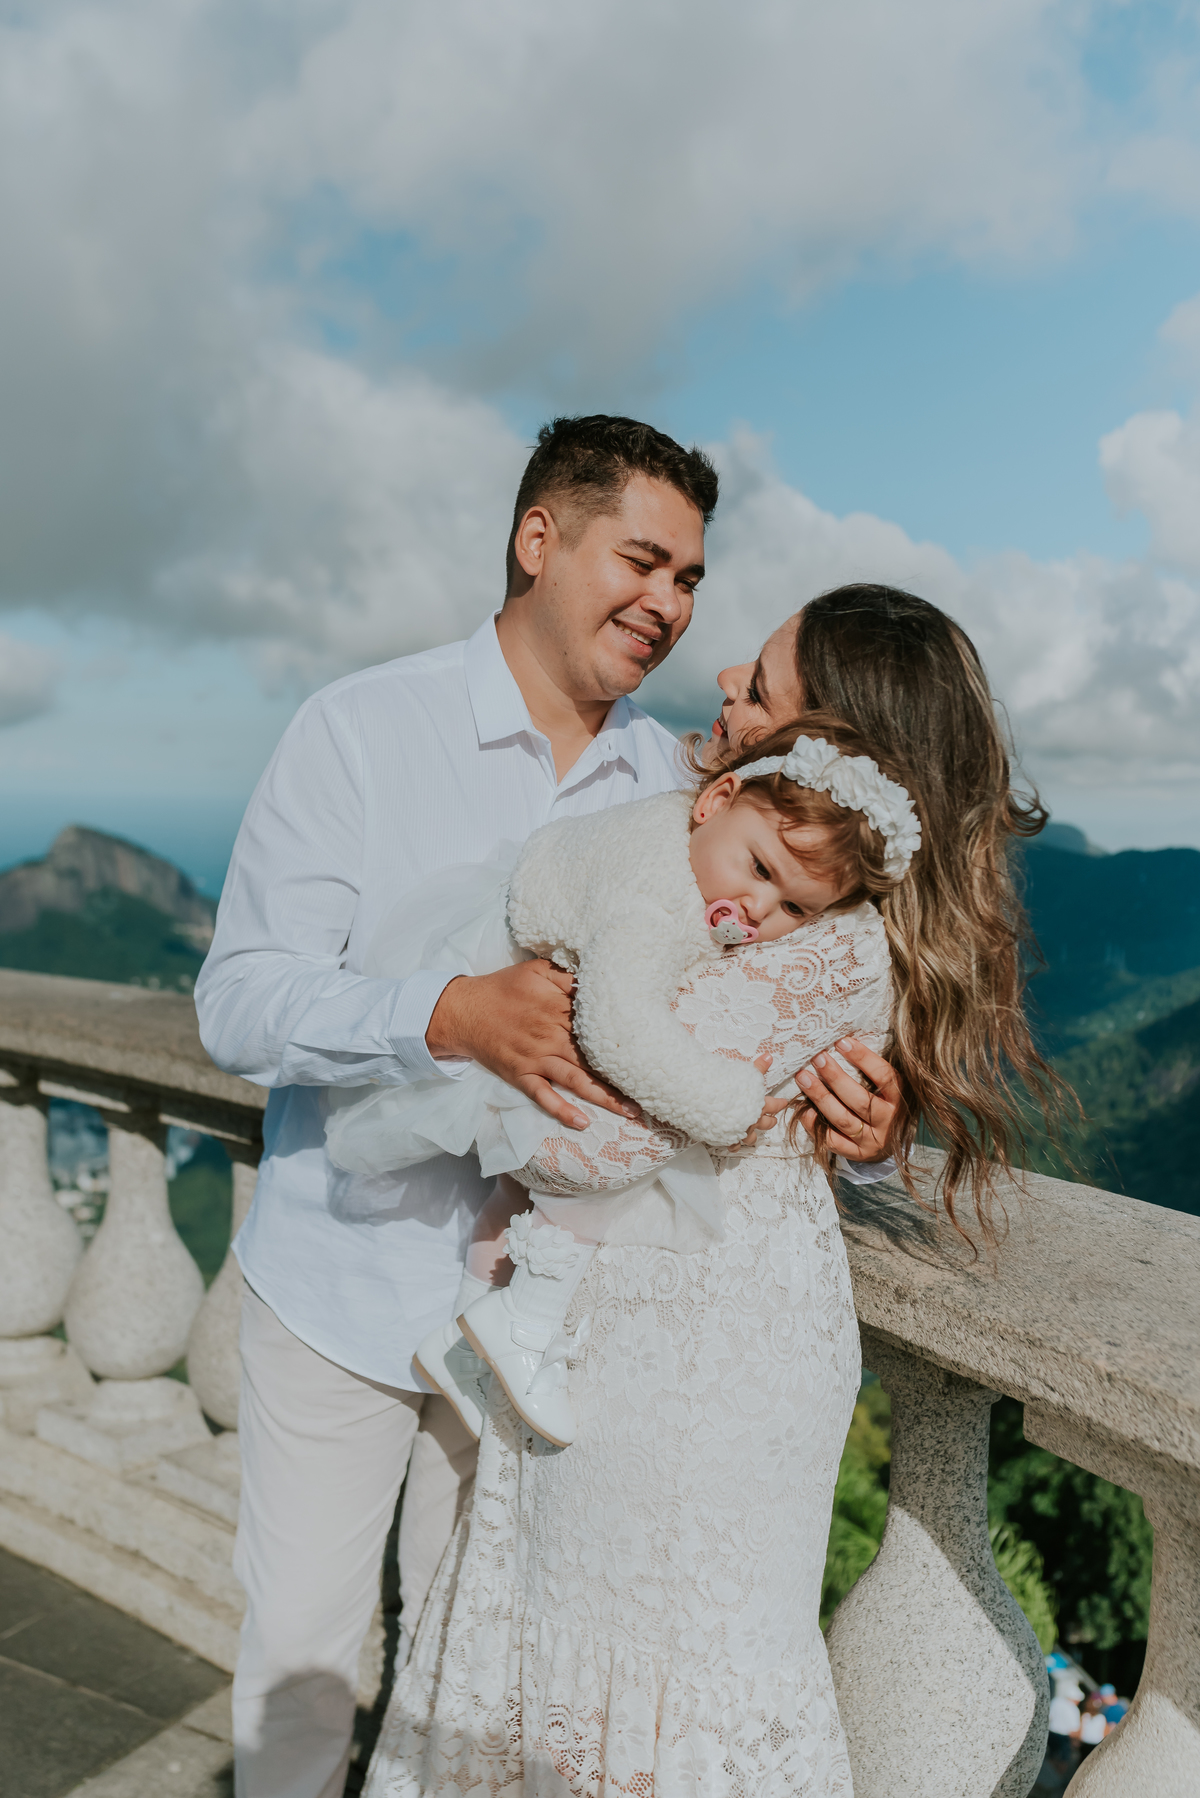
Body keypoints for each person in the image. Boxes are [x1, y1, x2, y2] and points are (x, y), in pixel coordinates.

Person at [195, 418, 897, 1798]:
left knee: (466, 1706)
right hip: (339, 1290)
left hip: (539, 1344)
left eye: (691, 578)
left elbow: (768, 1010)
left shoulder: (689, 790)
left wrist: (867, 1126)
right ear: (539, 540)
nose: (671, 604)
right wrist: (443, 1011)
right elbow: (237, 1003)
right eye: (644, 558)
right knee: (302, 1679)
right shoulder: (358, 728)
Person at [364, 584, 1062, 1796]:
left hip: (694, 1361)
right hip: (629, 1329)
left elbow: (592, 1145)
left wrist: (526, 1050)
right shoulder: (739, 862)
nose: (727, 677)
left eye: (767, 685)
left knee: (653, 1679)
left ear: (833, 750)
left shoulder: (826, 934)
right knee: (573, 1671)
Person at [331, 716, 917, 1445]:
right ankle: (523, 1318)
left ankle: (463, 1342)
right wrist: (729, 1106)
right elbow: (620, 1026)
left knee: (515, 1189)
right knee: (609, 1146)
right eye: (761, 871)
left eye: (796, 909)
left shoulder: (699, 847)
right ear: (715, 799)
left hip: (536, 984)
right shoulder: (653, 902)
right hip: (518, 1011)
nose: (761, 909)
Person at [1077, 1690, 1109, 1757]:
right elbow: (1105, 1733)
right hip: (1095, 1744)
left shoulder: (1084, 1716)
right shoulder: (1102, 1718)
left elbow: (1080, 1731)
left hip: (1085, 1743)